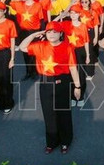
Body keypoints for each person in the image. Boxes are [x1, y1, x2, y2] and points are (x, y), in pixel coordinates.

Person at [18, 22, 82, 154]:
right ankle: (52, 142)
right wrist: (35, 34)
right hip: (46, 83)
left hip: (62, 82)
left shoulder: (67, 47)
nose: (52, 34)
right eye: (48, 32)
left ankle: (65, 141)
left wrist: (77, 86)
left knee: (64, 113)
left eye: (55, 32)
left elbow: (72, 68)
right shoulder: (40, 46)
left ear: (60, 33)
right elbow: (22, 47)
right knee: (49, 114)